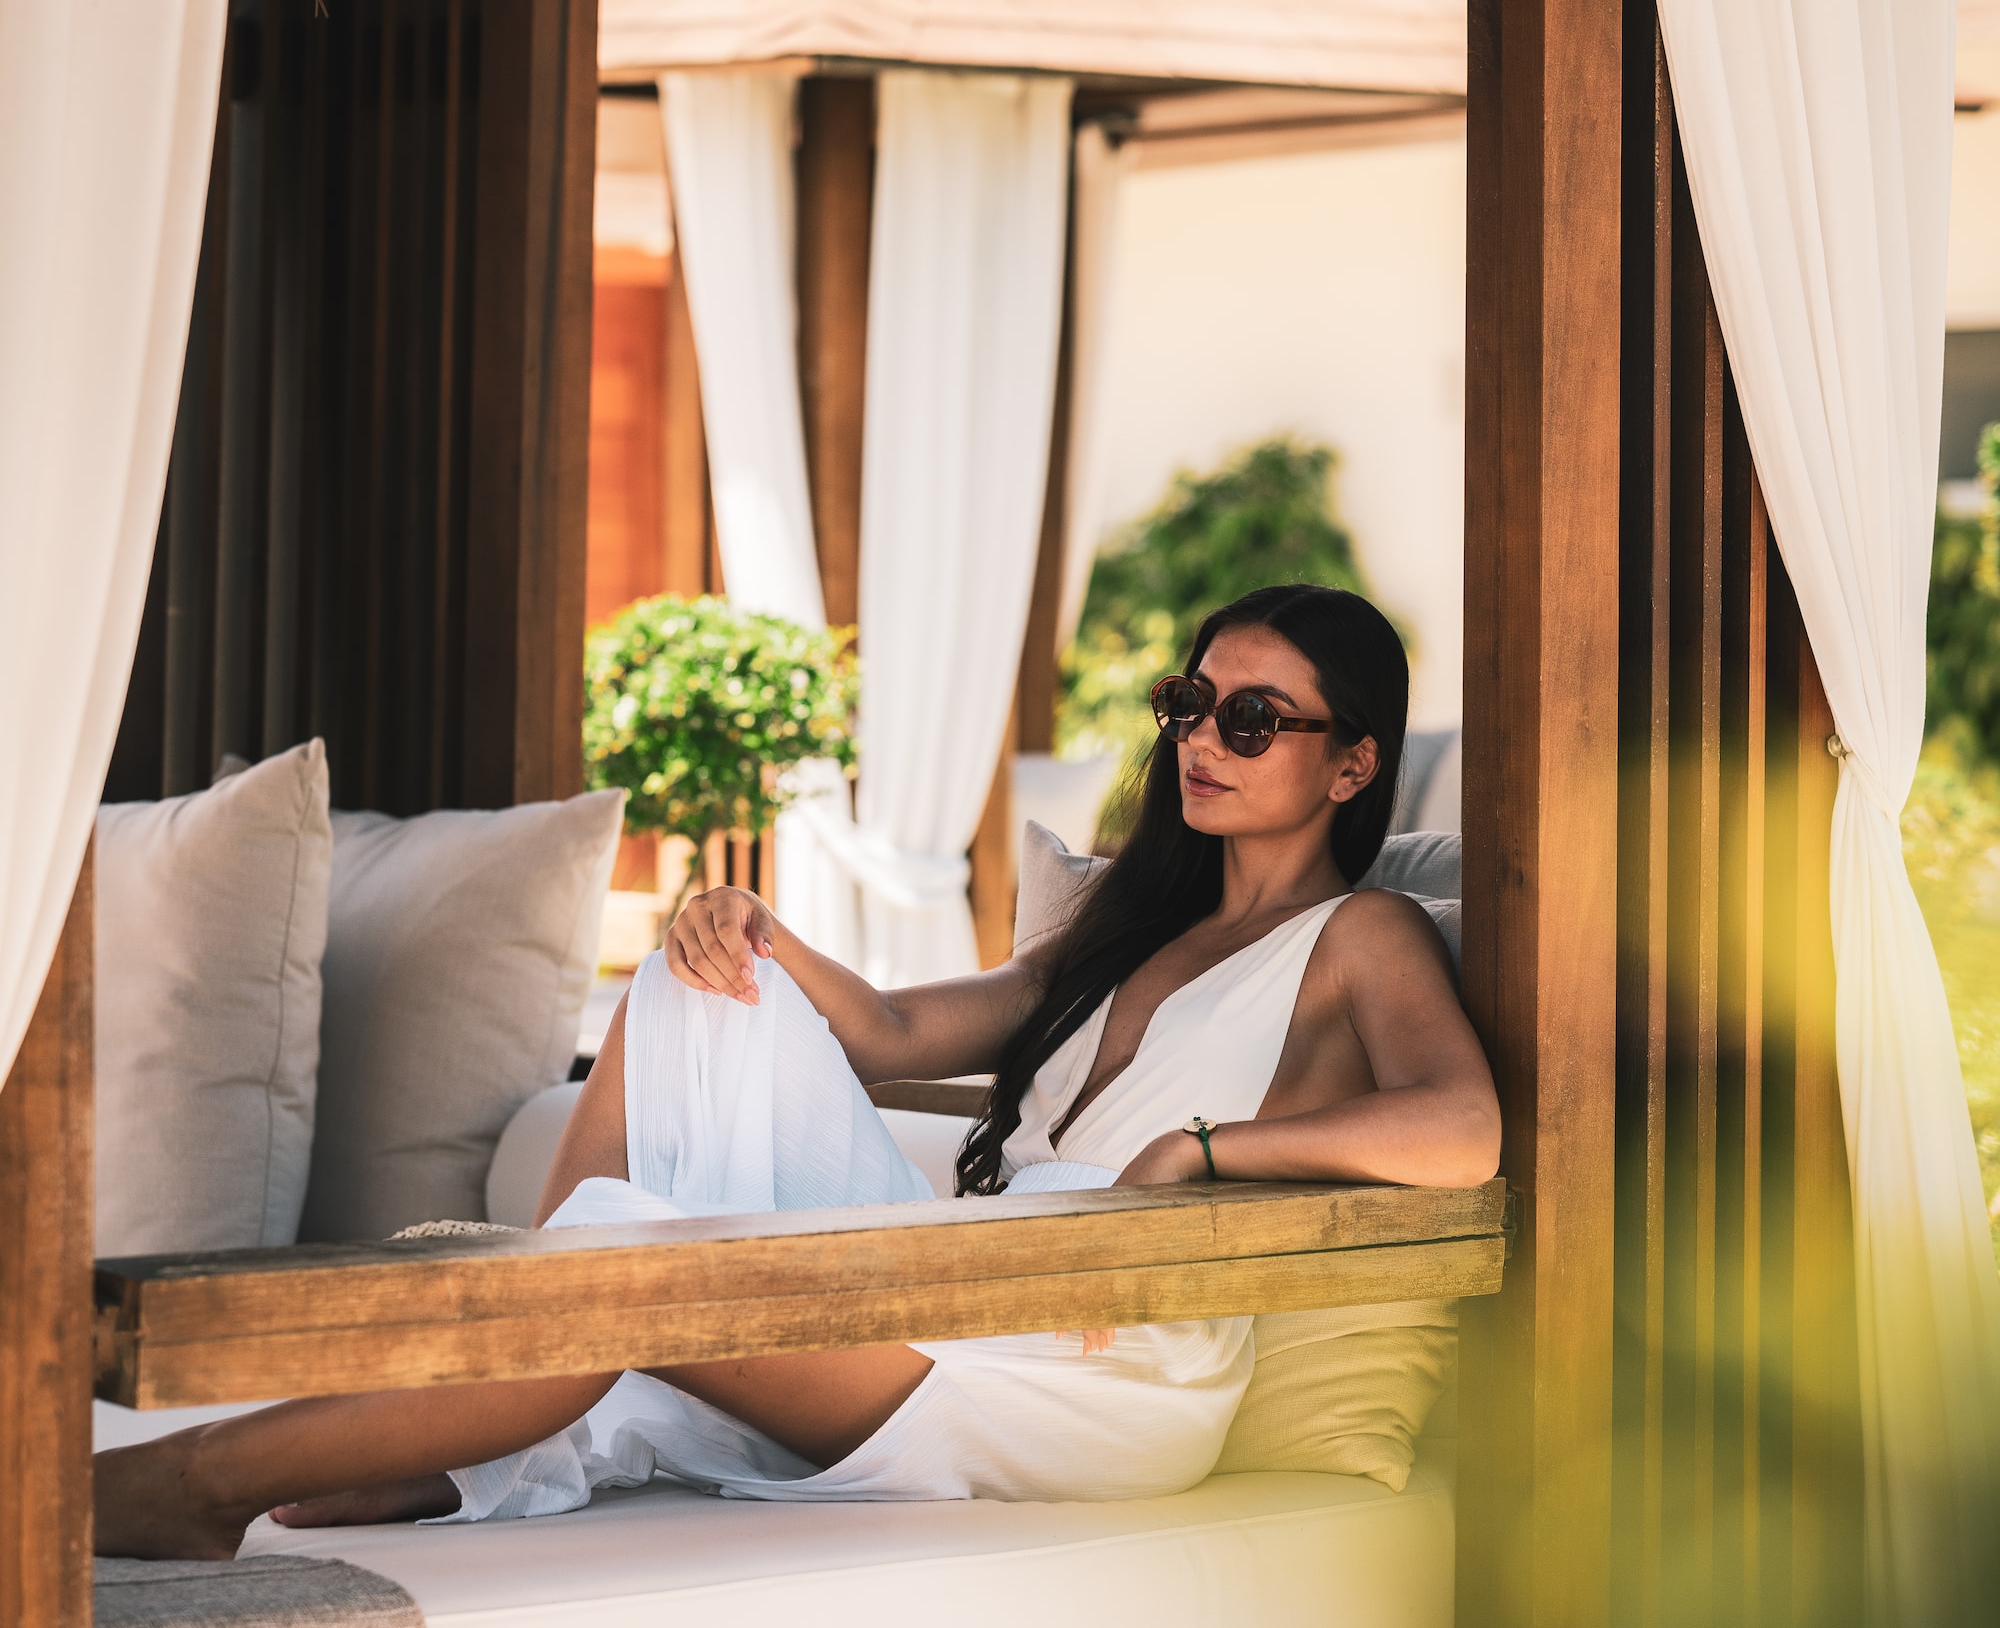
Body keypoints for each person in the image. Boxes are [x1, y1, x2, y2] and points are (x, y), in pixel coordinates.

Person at [96, 584, 1499, 1560]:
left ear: (1350, 764)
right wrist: (754, 929)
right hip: (982, 1261)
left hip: (1113, 1363)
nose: (1203, 738)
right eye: (1191, 703)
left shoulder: (1359, 937)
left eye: (1254, 720)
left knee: (630, 1260)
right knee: (700, 983)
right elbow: (885, 1033)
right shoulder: (1128, 920)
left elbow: (1462, 1129)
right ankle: (494, 1370)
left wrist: (1199, 1155)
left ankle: (191, 1481)